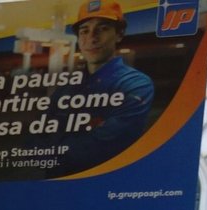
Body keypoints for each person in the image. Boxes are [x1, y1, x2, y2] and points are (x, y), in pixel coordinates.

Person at [59, 0, 154, 170]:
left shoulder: (135, 84)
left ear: (119, 34)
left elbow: (103, 146)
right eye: (84, 31)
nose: (92, 38)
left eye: (102, 29)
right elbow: (36, 139)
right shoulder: (68, 87)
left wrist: (57, 146)